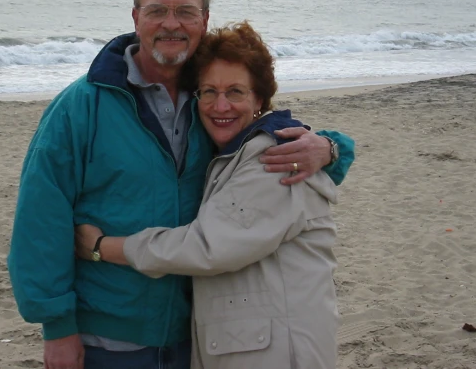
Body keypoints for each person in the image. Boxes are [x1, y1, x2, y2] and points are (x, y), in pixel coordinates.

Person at [8, 0, 354, 369]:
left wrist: (332, 147)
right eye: (157, 10)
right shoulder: (82, 107)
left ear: (204, 20)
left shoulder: (209, 102)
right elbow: (40, 218)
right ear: (136, 17)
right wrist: (57, 326)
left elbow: (278, 144)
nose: (171, 23)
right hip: (107, 338)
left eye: (186, 11)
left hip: (193, 336)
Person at [74, 21, 340, 369]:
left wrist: (102, 247)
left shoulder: (273, 157)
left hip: (277, 352)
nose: (221, 106)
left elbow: (207, 247)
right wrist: (334, 147)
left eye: (235, 92)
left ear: (259, 98)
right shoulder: (230, 154)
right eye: (208, 92)